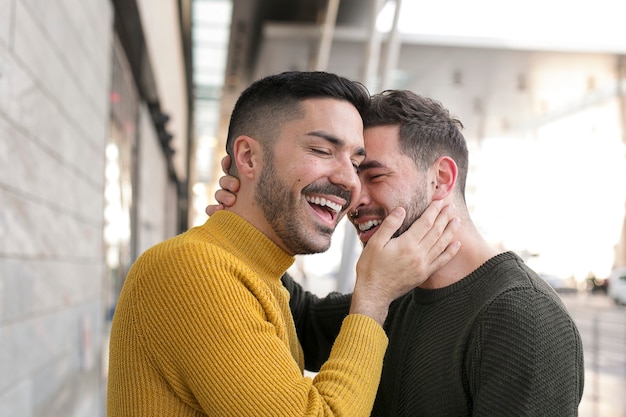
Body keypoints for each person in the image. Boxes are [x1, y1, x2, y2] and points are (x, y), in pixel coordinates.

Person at [209, 89, 585, 416]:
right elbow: (299, 320)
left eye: (374, 176)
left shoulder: (523, 317)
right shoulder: (395, 290)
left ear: (441, 179)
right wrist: (253, 214)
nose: (354, 196)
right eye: (355, 175)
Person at [106, 72, 461, 417]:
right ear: (247, 158)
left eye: (356, 162)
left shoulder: (254, 273)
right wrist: (373, 299)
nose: (349, 181)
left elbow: (309, 318)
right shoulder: (192, 270)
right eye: (322, 150)